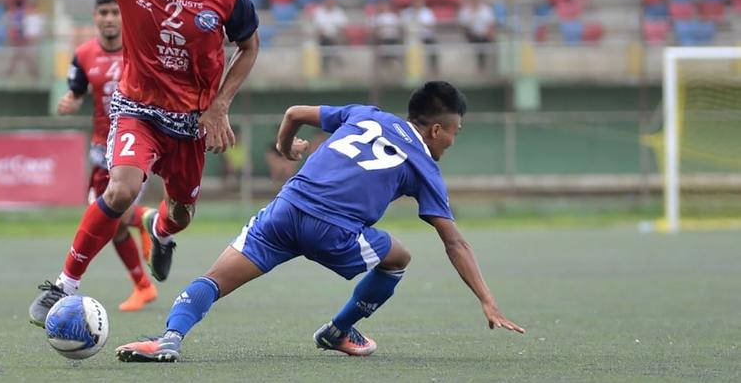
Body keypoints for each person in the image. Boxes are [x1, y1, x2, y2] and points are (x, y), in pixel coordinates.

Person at [1, 0, 261, 327]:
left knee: (181, 213)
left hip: (192, 124)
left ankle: (161, 233)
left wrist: (221, 105)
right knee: (120, 192)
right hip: (137, 108)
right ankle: (63, 285)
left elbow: (249, 47)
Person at [115, 81, 525, 362]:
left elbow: (294, 112)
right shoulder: (425, 167)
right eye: (455, 132)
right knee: (398, 258)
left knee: (215, 279)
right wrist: (487, 300)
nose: (453, 141)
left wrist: (284, 148)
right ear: (437, 129)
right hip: (334, 232)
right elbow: (455, 242)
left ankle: (168, 339)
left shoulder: (367, 114)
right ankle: (338, 331)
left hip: (286, 210)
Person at [56, 0, 158, 311]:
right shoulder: (84, 55)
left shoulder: (138, 49)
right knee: (109, 222)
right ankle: (143, 285)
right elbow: (76, 91)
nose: (110, 19)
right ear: (95, 17)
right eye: (104, 13)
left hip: (134, 144)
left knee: (112, 213)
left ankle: (145, 221)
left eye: (115, 12)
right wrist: (70, 101)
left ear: (123, 16)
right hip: (101, 149)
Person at [458, 0, 496, 72]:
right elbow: (462, 24)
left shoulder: (485, 9)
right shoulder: (466, 10)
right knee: (479, 41)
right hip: (471, 33)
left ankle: (482, 67)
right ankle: (481, 67)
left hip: (484, 34)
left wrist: (489, 32)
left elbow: (491, 23)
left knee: (484, 41)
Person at [401, 0, 439, 73]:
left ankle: (433, 70)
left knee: (433, 45)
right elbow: (404, 26)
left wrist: (421, 25)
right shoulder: (406, 12)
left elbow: (432, 26)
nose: (417, 2)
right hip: (411, 37)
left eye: (419, 0)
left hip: (425, 37)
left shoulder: (427, 12)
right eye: (416, 0)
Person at [312, 0, 348, 73]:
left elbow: (343, 26)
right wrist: (326, 34)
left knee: (331, 42)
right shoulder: (319, 12)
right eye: (328, 2)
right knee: (326, 41)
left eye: (332, 2)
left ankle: (326, 64)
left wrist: (337, 34)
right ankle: (336, 56)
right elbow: (318, 28)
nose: (330, 4)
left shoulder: (339, 12)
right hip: (324, 36)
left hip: (336, 36)